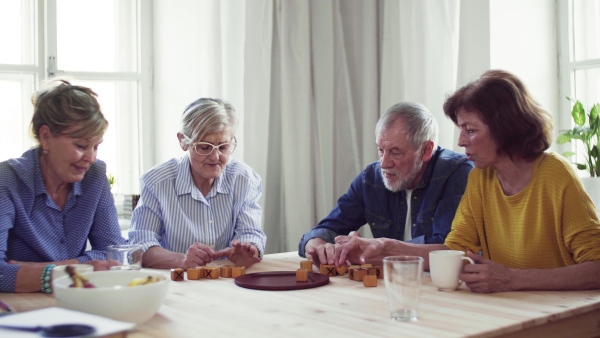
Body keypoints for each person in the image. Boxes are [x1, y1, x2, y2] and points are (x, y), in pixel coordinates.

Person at [334, 70, 600, 293]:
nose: (460, 141)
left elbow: (597, 268)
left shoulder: (554, 174)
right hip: (510, 311)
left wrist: (513, 279)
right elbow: (454, 250)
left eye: (471, 130)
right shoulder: (481, 177)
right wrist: (384, 246)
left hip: (562, 319)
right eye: (461, 129)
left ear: (506, 128)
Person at [298, 102, 474, 266]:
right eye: (381, 151)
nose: (384, 163)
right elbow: (328, 228)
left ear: (426, 150)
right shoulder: (371, 177)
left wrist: (383, 247)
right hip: (389, 284)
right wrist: (316, 246)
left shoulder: (457, 173)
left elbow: (450, 250)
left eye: (395, 152)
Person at [0, 79, 127, 293]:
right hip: (20, 308)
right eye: (80, 145)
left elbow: (113, 253)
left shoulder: (95, 176)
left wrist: (42, 270)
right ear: (46, 137)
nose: (90, 158)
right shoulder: (7, 179)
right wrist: (72, 271)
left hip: (78, 300)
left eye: (96, 146)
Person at [129, 98, 266, 269]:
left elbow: (251, 233)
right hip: (178, 281)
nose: (215, 157)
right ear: (183, 141)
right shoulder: (157, 182)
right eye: (204, 147)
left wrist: (249, 250)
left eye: (223, 147)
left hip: (227, 279)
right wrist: (182, 260)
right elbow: (140, 245)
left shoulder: (244, 179)